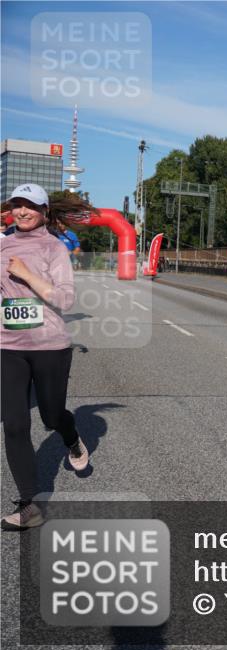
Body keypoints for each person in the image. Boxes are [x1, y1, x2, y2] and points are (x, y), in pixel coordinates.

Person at [1, 184, 91, 530]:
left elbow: (65, 299)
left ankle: (72, 439)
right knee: (15, 424)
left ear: (44, 211)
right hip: (8, 346)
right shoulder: (2, 245)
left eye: (30, 206)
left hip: (50, 346)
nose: (22, 211)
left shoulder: (54, 248)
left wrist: (26, 275)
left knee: (51, 417)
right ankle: (30, 504)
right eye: (17, 205)